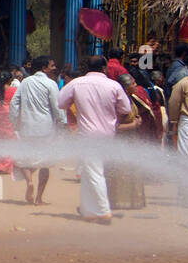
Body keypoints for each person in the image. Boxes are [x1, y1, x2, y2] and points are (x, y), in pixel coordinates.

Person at [57, 55, 133, 224]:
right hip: (108, 136)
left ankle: (103, 211)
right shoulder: (114, 85)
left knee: (94, 172)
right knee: (90, 172)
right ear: (104, 68)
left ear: (87, 68)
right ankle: (88, 210)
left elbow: (60, 103)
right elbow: (126, 108)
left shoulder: (76, 84)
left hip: (88, 137)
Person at [9, 55, 65, 204]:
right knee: (45, 163)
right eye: (52, 65)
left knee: (26, 158)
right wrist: (62, 122)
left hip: (26, 127)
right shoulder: (51, 84)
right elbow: (57, 106)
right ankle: (39, 197)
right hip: (45, 129)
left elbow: (14, 103)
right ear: (44, 68)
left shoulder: (25, 82)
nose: (54, 68)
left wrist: (15, 123)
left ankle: (29, 182)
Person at [107, 74, 153, 210]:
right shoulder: (120, 103)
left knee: (133, 171)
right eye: (133, 83)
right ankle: (118, 201)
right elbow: (115, 127)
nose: (136, 86)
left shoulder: (131, 100)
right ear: (126, 88)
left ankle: (132, 200)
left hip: (132, 141)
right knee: (121, 171)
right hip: (121, 143)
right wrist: (133, 125)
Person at [167, 51, 188, 206]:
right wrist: (174, 123)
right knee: (186, 158)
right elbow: (174, 103)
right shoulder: (184, 83)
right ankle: (185, 193)